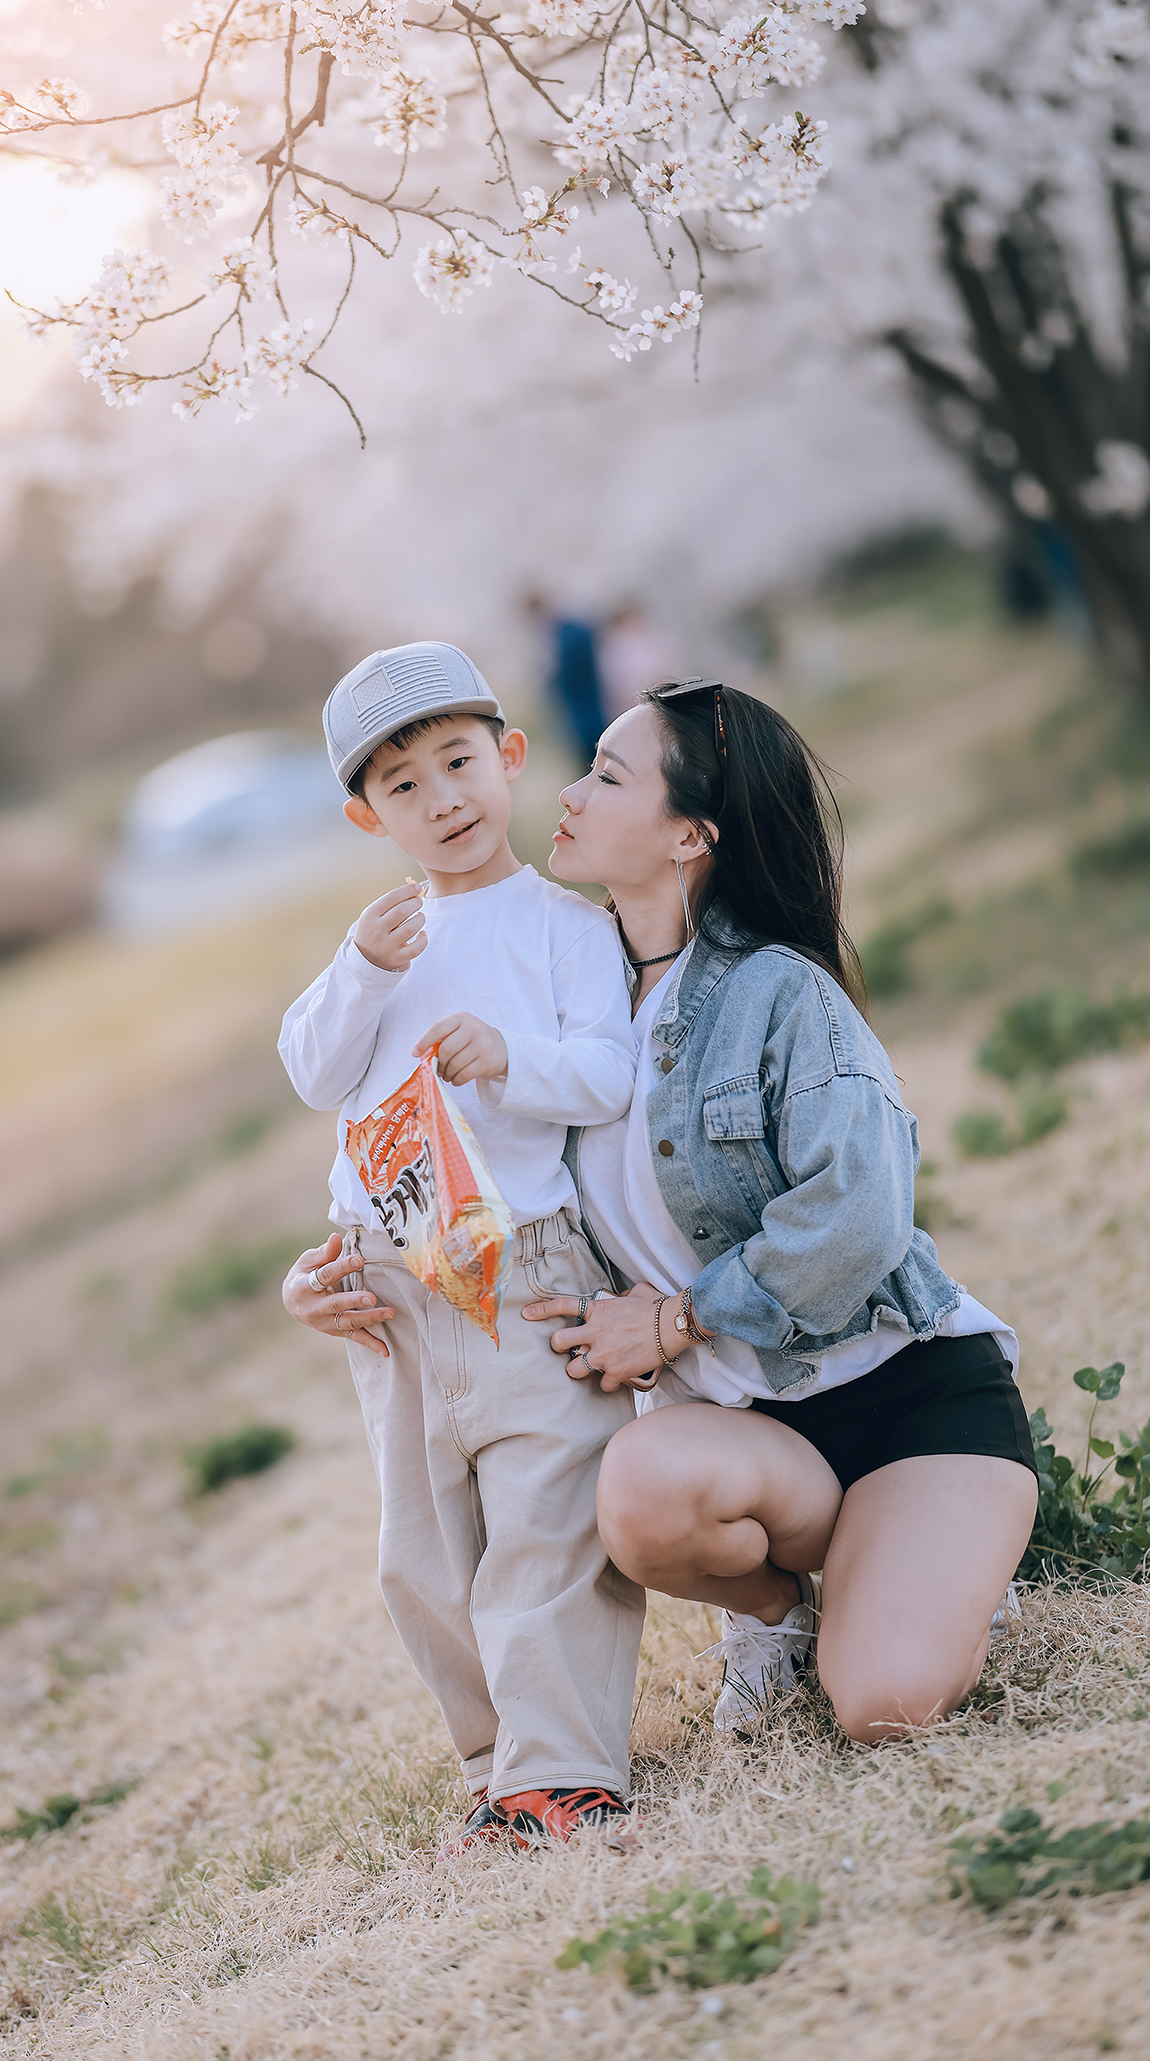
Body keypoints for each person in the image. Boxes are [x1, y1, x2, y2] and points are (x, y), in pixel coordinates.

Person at [526, 679, 1038, 1741]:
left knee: (885, 1704)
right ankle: (777, 1613)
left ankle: (925, 1563)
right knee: (639, 1488)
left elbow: (859, 1215)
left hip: (905, 1403)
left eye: (608, 776)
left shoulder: (779, 991)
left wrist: (676, 1320)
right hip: (753, 1443)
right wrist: (346, 1262)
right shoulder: (559, 1007)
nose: (569, 794)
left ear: (690, 835)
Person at [278, 640, 644, 1854]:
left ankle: (563, 1768)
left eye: (458, 761)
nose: (441, 798)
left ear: (510, 756)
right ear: (366, 815)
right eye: (403, 784)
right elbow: (313, 1071)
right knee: (422, 1547)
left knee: (547, 1511)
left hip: (523, 1260)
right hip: (391, 1273)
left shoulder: (565, 926)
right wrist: (358, 970)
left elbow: (604, 1072)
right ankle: (496, 1763)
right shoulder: (381, 942)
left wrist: (511, 1060)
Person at [526, 592, 607, 768]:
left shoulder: (568, 633)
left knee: (594, 755)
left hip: (584, 705)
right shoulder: (562, 632)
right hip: (579, 707)